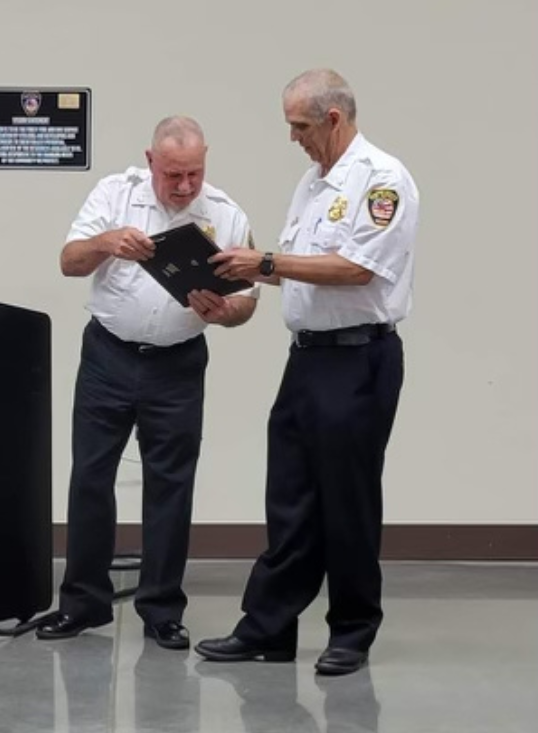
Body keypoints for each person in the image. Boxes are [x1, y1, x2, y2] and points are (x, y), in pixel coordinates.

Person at [194, 69, 419, 675]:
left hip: (358, 358)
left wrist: (266, 259)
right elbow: (294, 266)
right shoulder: (312, 182)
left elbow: (355, 270)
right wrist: (229, 275)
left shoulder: (382, 181)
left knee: (345, 500)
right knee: (289, 497)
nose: (292, 136)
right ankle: (268, 628)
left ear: (333, 119)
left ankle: (351, 630)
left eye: (299, 125)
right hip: (309, 358)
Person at [36, 117, 258, 649]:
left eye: (194, 174)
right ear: (150, 160)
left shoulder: (224, 213)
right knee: (90, 477)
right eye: (173, 174)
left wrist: (225, 311)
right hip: (108, 355)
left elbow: (249, 301)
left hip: (178, 364)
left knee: (171, 486)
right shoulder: (115, 193)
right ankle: (83, 604)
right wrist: (107, 242)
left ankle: (161, 610)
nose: (184, 186)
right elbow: (69, 261)